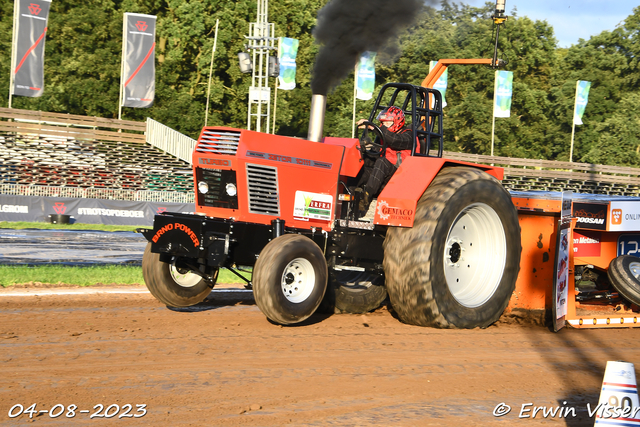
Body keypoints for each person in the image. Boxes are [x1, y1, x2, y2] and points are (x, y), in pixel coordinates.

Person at [355, 106, 413, 214]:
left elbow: (394, 140)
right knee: (363, 164)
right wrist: (361, 155)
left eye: (387, 123)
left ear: (397, 122)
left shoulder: (408, 135)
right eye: (382, 123)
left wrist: (373, 127)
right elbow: (375, 154)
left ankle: (366, 196)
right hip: (383, 174)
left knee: (382, 161)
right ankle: (350, 194)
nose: (383, 125)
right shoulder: (383, 136)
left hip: (399, 174)